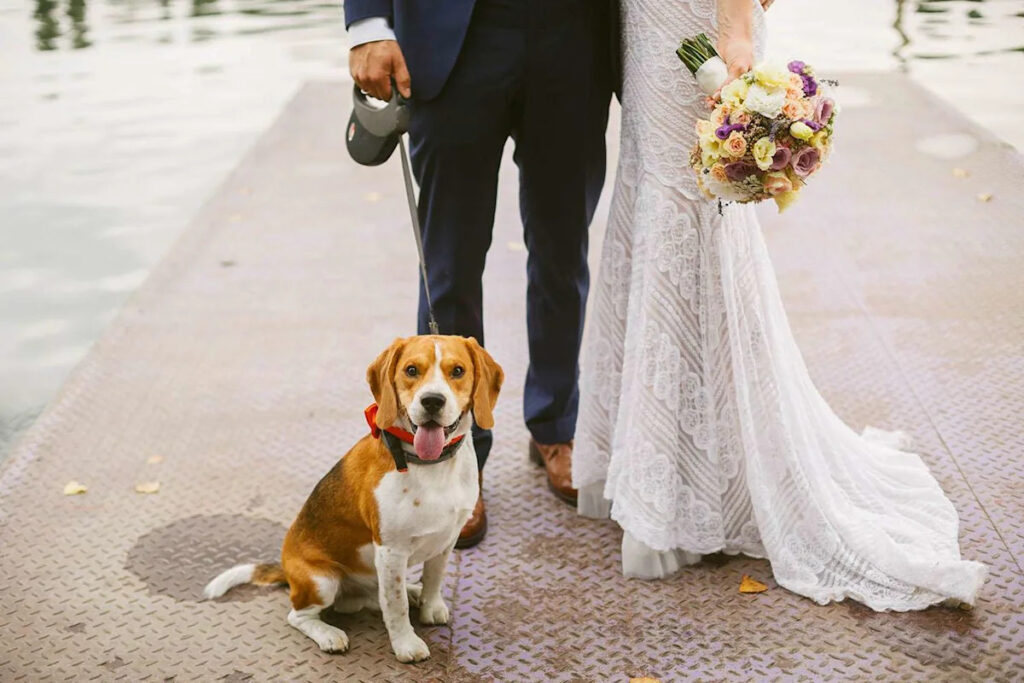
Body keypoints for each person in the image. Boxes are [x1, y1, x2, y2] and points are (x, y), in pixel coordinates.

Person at [572, 0, 988, 610]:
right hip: (648, 25)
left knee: (692, 208)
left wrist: (736, 31)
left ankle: (695, 488)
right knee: (662, 198)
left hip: (699, 20)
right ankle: (671, 466)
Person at [344, 0, 616, 547]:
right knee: (449, 265)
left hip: (576, 37)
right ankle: (449, 449)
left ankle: (555, 426)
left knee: (564, 255)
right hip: (451, 41)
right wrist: (369, 25)